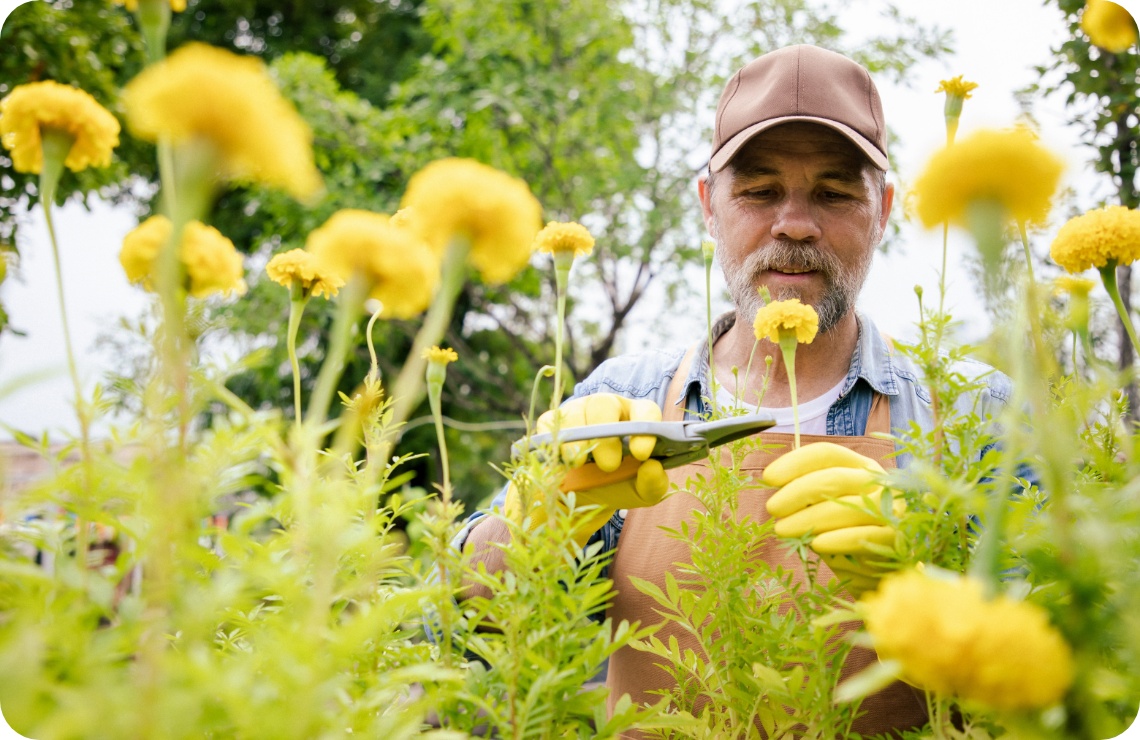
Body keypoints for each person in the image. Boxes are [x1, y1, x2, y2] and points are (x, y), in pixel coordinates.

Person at [454, 44, 1011, 736]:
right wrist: (528, 530)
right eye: (759, 190)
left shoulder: (973, 413)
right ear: (708, 206)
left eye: (835, 193)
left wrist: (930, 599)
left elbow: (1075, 678)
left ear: (884, 209)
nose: (795, 224)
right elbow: (467, 630)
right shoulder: (625, 396)